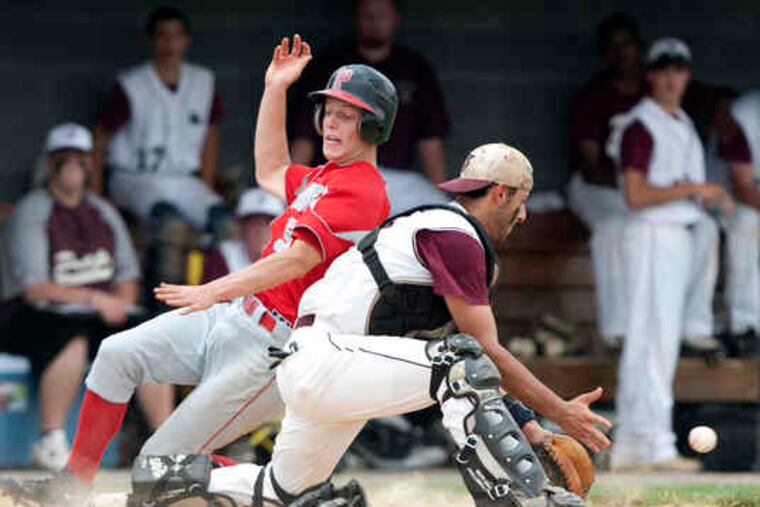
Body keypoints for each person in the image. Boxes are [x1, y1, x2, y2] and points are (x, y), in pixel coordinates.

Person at [0, 35, 396, 505]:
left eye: (348, 116)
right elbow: (271, 169)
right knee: (116, 354)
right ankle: (71, 485)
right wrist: (274, 89)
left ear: (374, 128)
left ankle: (297, 492)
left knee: (156, 467)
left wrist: (212, 289)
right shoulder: (324, 176)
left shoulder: (365, 190)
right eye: (329, 111)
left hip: (274, 349)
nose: (332, 122)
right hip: (238, 317)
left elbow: (296, 260)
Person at [199, 144, 611, 507]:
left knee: (282, 491)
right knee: (460, 364)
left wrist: (532, 428)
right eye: (521, 201)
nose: (522, 215)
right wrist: (559, 410)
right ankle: (524, 500)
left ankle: (158, 489)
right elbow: (480, 355)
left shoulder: (442, 228)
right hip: (326, 359)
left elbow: (472, 358)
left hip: (324, 365)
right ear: (501, 193)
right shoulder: (456, 235)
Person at [0, 123, 174, 472]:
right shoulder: (34, 210)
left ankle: (167, 446)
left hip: (92, 314)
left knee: (147, 338)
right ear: (50, 164)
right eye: (65, 159)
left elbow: (127, 278)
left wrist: (119, 305)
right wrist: (97, 300)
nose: (73, 166)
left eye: (80, 158)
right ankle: (50, 439)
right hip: (30, 314)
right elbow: (34, 288)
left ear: (90, 164)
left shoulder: (103, 212)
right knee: (73, 339)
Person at [607, 38, 732, 470]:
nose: (672, 77)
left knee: (662, 343)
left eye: (679, 69)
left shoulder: (680, 123)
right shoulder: (640, 124)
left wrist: (713, 197)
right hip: (650, 235)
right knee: (648, 340)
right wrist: (697, 188)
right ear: (650, 75)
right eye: (663, 69)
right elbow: (636, 194)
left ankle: (649, 441)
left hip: (679, 235)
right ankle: (643, 445)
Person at [91, 6, 230, 286]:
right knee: (172, 227)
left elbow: (210, 135)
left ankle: (227, 305)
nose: (169, 44)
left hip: (184, 180)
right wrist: (97, 196)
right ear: (149, 41)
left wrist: (205, 185)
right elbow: (100, 136)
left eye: (176, 36)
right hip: (134, 178)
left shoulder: (203, 81)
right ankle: (168, 311)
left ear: (187, 41)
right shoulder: (131, 84)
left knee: (226, 224)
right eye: (162, 36)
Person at [290, 0, 449, 212]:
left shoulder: (414, 68)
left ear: (395, 18)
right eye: (367, 15)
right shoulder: (331, 64)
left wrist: (441, 198)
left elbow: (431, 142)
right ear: (355, 18)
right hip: (337, 177)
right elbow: (304, 137)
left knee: (436, 209)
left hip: (398, 183)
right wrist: (292, 192)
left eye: (382, 15)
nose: (374, 22)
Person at [567, 13, 643, 347]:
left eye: (625, 44)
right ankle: (617, 330)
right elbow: (590, 165)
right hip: (596, 186)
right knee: (613, 226)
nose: (620, 52)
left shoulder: (655, 94)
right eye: (611, 47)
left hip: (642, 193)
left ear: (639, 48)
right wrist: (635, 190)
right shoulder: (594, 96)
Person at [719, 91, 760, 356]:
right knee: (746, 224)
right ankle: (745, 326)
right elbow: (742, 186)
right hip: (727, 198)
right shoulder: (745, 114)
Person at [200, 188, 285, 284]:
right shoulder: (224, 257)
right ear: (241, 228)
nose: (260, 231)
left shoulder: (291, 262)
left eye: (267, 224)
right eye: (253, 224)